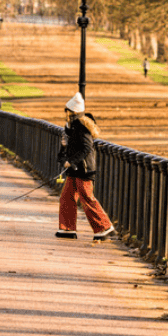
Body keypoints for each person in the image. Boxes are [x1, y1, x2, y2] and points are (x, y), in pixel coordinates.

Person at [55, 92, 115, 241]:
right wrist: (64, 148)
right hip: (75, 170)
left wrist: (72, 161)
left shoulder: (81, 128)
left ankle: (104, 227)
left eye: (67, 111)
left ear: (73, 112)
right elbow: (73, 147)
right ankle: (67, 229)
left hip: (84, 170)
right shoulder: (72, 128)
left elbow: (87, 148)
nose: (65, 114)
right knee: (66, 197)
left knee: (87, 198)